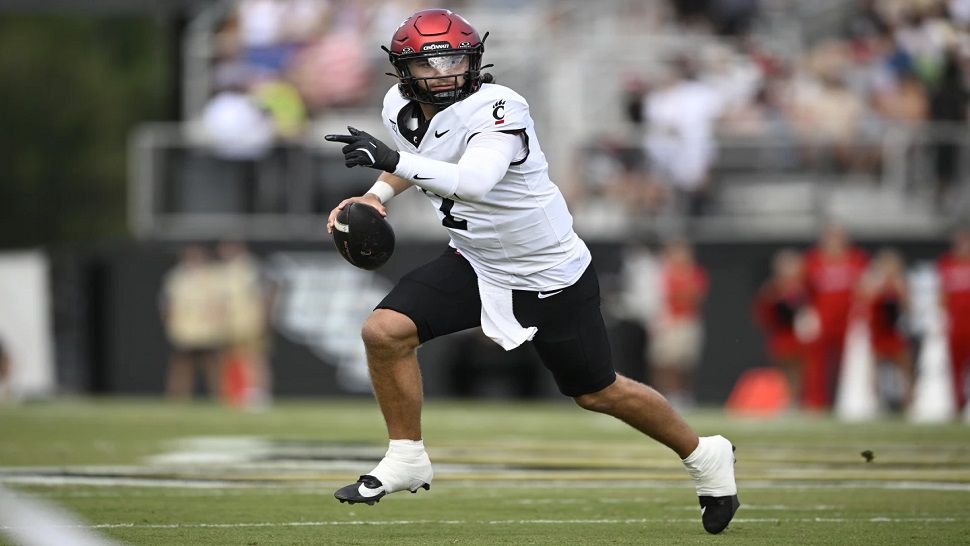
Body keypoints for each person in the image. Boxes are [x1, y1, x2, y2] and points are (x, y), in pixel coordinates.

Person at [323, 9, 739, 534]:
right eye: (429, 65)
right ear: (403, 72)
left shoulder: (500, 107)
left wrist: (392, 163)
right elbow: (418, 153)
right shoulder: (398, 108)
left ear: (475, 61)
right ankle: (407, 455)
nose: (444, 73)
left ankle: (705, 455)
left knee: (597, 392)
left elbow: (473, 180)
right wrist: (377, 195)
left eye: (454, 59)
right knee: (383, 333)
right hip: (476, 261)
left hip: (548, 271)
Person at [802, 223, 868, 410]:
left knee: (848, 362)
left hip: (849, 319)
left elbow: (863, 288)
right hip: (822, 319)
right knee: (817, 364)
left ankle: (846, 401)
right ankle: (816, 402)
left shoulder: (856, 259)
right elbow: (805, 290)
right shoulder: (813, 260)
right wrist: (808, 313)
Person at [159, 245, 226, 400]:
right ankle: (177, 398)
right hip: (184, 330)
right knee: (182, 365)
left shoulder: (214, 276)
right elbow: (167, 304)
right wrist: (169, 324)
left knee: (212, 365)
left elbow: (222, 304)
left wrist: (219, 324)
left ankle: (218, 397)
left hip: (208, 330)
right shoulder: (177, 277)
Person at [649, 238, 709, 409]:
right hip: (668, 320)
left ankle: (684, 395)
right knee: (665, 362)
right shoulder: (663, 273)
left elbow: (695, 297)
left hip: (687, 321)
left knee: (686, 362)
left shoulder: (695, 273)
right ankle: (667, 394)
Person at [753, 248, 812, 406]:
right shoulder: (773, 288)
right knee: (784, 368)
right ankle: (787, 398)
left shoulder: (803, 286)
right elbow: (764, 312)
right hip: (781, 334)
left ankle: (796, 399)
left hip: (798, 335)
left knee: (798, 369)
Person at [856, 248, 913, 411]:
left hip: (894, 331)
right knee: (875, 367)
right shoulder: (873, 282)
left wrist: (897, 285)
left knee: (904, 366)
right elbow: (865, 299)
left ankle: (907, 402)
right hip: (878, 331)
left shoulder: (900, 282)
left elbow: (907, 306)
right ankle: (876, 401)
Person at [938, 227, 970, 414]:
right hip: (956, 324)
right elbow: (942, 295)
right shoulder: (947, 264)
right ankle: (958, 403)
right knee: (956, 367)